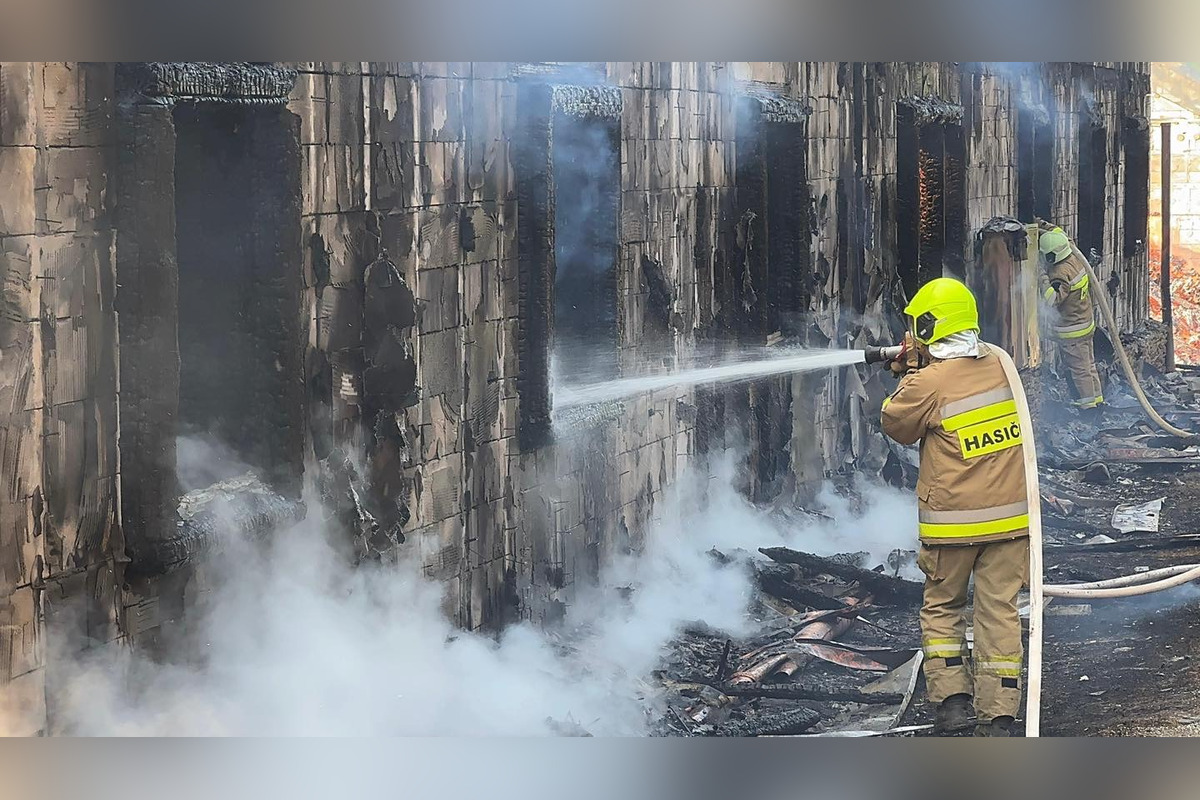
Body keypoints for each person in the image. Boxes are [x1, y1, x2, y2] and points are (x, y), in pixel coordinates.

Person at [880, 277, 1029, 737]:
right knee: (999, 610)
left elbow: (896, 423)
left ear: (929, 325)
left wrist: (908, 372)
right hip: (1013, 521)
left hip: (953, 527)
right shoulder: (1001, 364)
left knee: (943, 609)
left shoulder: (928, 382)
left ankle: (952, 704)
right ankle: (999, 714)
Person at [1038, 224, 1104, 410]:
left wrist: (1042, 276)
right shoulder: (1073, 256)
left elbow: (1053, 299)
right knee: (1088, 365)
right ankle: (1097, 400)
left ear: (1051, 256)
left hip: (1072, 331)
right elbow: (1059, 233)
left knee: (1079, 370)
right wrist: (1040, 225)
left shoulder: (1060, 273)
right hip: (1085, 323)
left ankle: (1088, 408)